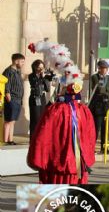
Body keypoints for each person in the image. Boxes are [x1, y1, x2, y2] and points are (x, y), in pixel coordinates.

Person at [26, 41, 96, 184]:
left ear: (64, 88)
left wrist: (36, 158)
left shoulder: (55, 111)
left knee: (56, 201)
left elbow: (42, 137)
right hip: (77, 167)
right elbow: (91, 138)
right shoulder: (85, 111)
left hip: (56, 167)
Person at [89, 60, 109, 153]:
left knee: (105, 128)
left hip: (107, 106)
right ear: (99, 68)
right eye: (103, 68)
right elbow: (95, 89)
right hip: (98, 106)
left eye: (106, 69)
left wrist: (105, 90)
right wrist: (102, 89)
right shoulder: (94, 77)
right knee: (96, 128)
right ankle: (91, 148)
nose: (105, 70)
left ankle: (104, 147)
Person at [3, 53, 25, 145]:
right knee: (9, 121)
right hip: (12, 99)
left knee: (13, 121)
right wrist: (8, 94)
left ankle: (10, 139)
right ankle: (5, 140)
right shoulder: (8, 71)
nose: (23, 64)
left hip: (18, 100)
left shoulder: (17, 72)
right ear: (16, 61)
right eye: (22, 61)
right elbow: (6, 84)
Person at [28, 59, 52, 136]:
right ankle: (33, 136)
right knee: (35, 118)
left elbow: (47, 89)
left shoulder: (45, 76)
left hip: (42, 98)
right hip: (34, 98)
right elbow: (34, 84)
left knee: (41, 117)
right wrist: (41, 77)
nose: (41, 69)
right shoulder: (31, 76)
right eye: (39, 67)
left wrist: (45, 77)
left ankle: (40, 136)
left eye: (42, 67)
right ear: (35, 67)